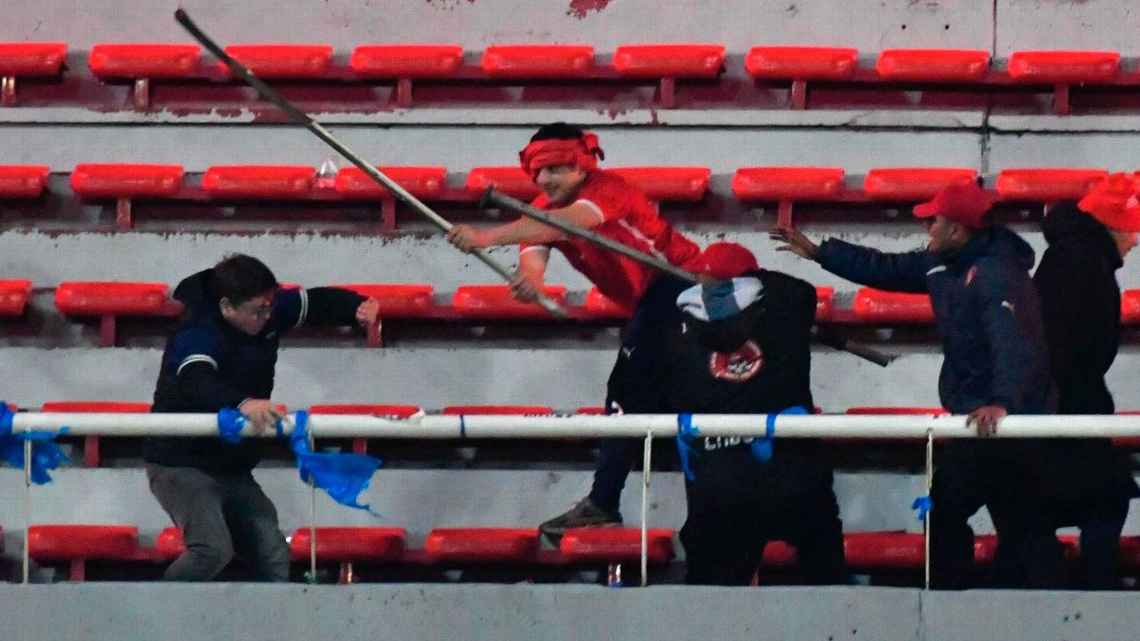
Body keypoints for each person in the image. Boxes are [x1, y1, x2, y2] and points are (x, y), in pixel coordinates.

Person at [771, 181, 1055, 588]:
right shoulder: (948, 263)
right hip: (979, 418)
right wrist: (822, 253)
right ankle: (997, 604)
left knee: (989, 517)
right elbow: (887, 268)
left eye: (934, 221)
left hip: (1004, 423)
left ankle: (966, 604)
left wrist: (1003, 403)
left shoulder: (997, 275)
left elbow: (1015, 344)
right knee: (997, 519)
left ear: (956, 230)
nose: (928, 229)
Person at [446, 122, 703, 536]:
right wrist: (531, 282)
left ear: (582, 167)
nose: (546, 179)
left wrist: (484, 236)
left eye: (557, 170)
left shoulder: (608, 191)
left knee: (627, 390)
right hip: (653, 305)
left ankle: (604, 500)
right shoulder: (541, 211)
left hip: (684, 285)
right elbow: (534, 254)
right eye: (540, 172)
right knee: (642, 397)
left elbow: (566, 225)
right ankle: (608, 501)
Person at [144, 254, 380, 581]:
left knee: (272, 551)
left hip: (232, 467)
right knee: (211, 549)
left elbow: (313, 302)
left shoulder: (262, 309)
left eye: (270, 306)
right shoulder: (197, 331)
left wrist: (357, 306)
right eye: (260, 311)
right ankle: (156, 621)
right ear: (227, 307)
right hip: (179, 464)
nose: (269, 316)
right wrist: (241, 403)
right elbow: (196, 380)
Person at [662, 242, 847, 585]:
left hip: (714, 472)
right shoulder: (786, 305)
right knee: (824, 575)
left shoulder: (675, 324)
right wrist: (752, 275)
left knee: (713, 592)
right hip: (789, 466)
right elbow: (800, 290)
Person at [1026, 173, 1140, 589]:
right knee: (1103, 502)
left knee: (1047, 509)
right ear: (1114, 224)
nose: (1136, 240)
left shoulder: (1071, 256)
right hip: (1070, 403)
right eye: (1133, 229)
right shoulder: (1085, 264)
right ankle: (1092, 596)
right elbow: (1072, 345)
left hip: (1060, 402)